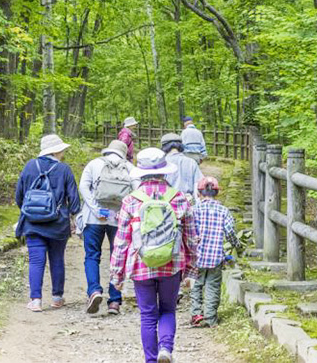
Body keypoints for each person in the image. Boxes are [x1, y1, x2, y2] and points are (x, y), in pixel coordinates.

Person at [110, 148, 197, 363]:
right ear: (164, 172)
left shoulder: (130, 200)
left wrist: (116, 275)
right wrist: (191, 270)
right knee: (168, 309)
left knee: (148, 315)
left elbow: (121, 241)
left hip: (141, 264)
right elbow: (191, 237)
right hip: (172, 263)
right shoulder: (178, 198)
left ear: (141, 172)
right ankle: (165, 349)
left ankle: (151, 360)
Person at [15, 134, 81, 312]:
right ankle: (57, 298)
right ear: (57, 151)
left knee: (36, 261)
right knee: (57, 259)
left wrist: (30, 212)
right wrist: (74, 218)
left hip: (32, 223)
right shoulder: (64, 170)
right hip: (58, 224)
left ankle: (36, 300)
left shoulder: (29, 166)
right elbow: (74, 200)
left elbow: (19, 196)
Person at [78, 140, 138, 315]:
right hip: (118, 219)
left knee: (91, 255)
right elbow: (136, 191)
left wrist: (95, 209)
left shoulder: (94, 164)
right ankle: (114, 301)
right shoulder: (129, 168)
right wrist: (124, 210)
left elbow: (83, 186)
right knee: (117, 257)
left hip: (93, 218)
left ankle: (94, 291)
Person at [190, 176, 241, 328]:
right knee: (213, 286)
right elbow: (230, 231)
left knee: (196, 285)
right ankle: (210, 317)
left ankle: (196, 314)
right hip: (216, 257)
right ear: (217, 192)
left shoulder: (194, 210)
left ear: (199, 193)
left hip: (196, 256)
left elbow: (188, 230)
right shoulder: (223, 211)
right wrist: (236, 244)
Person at [160, 133, 203, 202]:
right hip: (187, 200)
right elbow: (198, 183)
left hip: (167, 201)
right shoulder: (191, 162)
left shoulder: (162, 163)